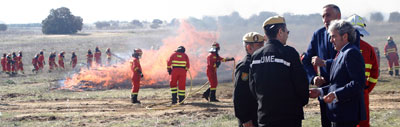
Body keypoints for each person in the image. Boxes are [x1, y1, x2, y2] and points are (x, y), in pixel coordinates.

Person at [301, 4, 360, 127]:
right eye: (323, 16)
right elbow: (306, 60)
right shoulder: (318, 34)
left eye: (328, 15)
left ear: (338, 16)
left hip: (344, 94)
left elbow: (347, 61)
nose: (325, 20)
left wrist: (324, 63)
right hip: (324, 91)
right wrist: (313, 78)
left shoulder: (350, 34)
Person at [249, 16, 309, 127]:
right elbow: (301, 83)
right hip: (288, 117)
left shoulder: (256, 56)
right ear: (280, 32)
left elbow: (252, 86)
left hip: (265, 116)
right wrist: (300, 102)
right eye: (287, 31)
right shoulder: (289, 53)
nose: (287, 34)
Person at [309, 19, 366, 127]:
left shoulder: (351, 53)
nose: (331, 40)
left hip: (346, 115)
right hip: (340, 114)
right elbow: (338, 83)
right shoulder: (341, 53)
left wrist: (335, 95)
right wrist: (320, 91)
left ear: (344, 36)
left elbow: (358, 83)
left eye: (333, 36)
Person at [347, 14, 379, 127]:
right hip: (362, 92)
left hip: (345, 93)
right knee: (363, 122)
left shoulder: (342, 48)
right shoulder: (369, 49)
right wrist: (366, 89)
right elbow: (374, 75)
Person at [233, 32, 264, 127]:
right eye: (259, 46)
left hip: (259, 115)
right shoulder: (245, 66)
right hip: (250, 119)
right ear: (249, 48)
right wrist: (245, 119)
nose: (263, 48)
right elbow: (239, 96)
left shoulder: (259, 62)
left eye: (263, 45)